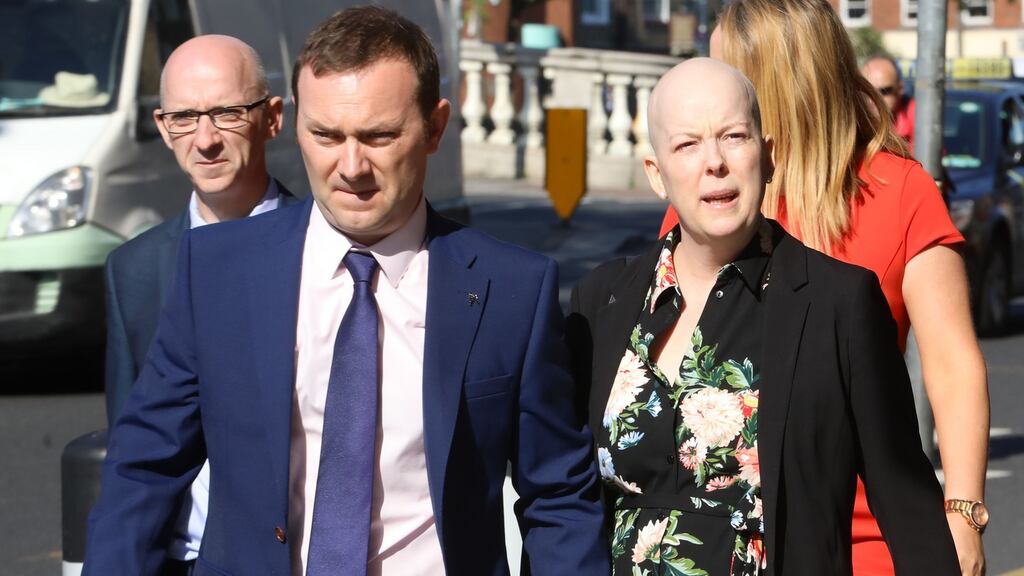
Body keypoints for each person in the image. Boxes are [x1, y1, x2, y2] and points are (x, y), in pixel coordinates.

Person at [84, 7, 608, 576]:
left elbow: (559, 497)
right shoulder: (219, 270)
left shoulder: (512, 288)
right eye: (326, 135)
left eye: (379, 136)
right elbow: (144, 469)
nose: (350, 166)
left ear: (434, 127)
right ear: (293, 124)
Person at [570, 56, 959, 575]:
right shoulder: (602, 301)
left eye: (734, 136)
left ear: (768, 155)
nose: (715, 163)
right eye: (687, 144)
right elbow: (563, 499)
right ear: (656, 174)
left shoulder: (838, 304)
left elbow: (906, 505)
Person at [658, 1, 990, 574]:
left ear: (772, 84)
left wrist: (962, 513)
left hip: (868, 542)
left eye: (725, 75)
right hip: (723, 535)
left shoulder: (900, 190)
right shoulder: (714, 201)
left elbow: (953, 365)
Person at [101, 34, 297, 573]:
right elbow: (133, 457)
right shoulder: (134, 270)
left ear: (272, 117)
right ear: (164, 128)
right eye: (185, 118)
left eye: (227, 113)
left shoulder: (327, 251)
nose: (205, 138)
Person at [862, 56, 916, 152]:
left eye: (884, 91)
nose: (875, 98)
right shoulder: (852, 124)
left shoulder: (918, 118)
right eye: (868, 91)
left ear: (900, 89)